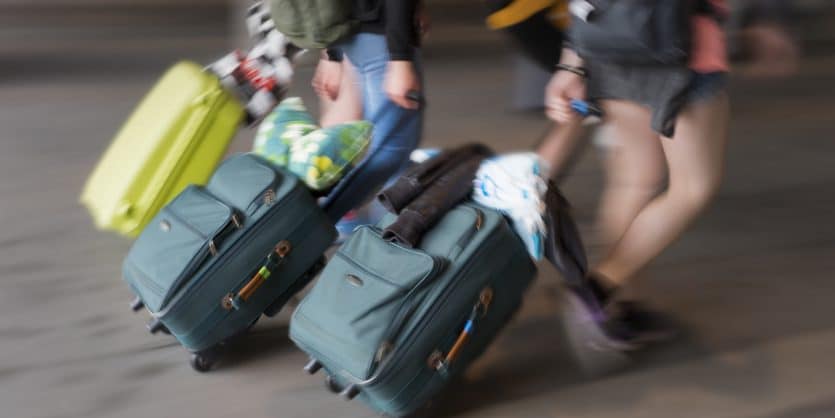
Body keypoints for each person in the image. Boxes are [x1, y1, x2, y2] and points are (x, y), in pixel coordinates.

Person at [547, 0, 731, 346]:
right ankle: (598, 289)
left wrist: (571, 64)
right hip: (685, 54)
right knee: (693, 187)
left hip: (611, 47)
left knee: (633, 180)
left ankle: (621, 308)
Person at [312, 0, 426, 224]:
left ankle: (386, 238)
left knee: (392, 152)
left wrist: (332, 53)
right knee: (390, 151)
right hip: (381, 36)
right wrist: (400, 58)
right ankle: (312, 224)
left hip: (357, 34)